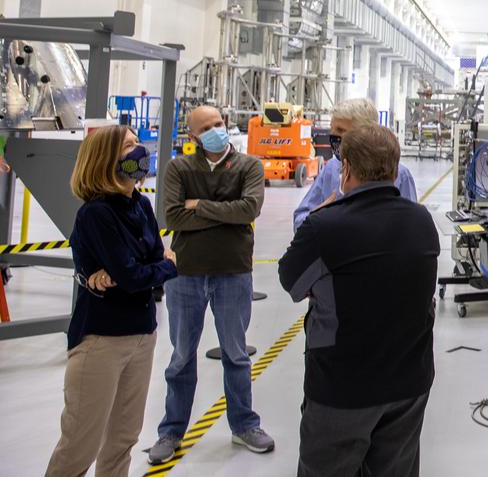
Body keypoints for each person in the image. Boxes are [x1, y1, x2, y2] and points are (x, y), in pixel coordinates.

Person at [279, 125, 441, 477]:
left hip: (343, 387)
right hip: (408, 381)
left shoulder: (324, 226)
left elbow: (292, 282)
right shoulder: (422, 221)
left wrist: (319, 214)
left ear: (346, 168)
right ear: (395, 170)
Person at [45, 125, 177, 477]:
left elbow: (148, 268)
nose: (139, 151)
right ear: (105, 159)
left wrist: (153, 267)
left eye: (137, 143)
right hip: (101, 341)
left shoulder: (141, 204)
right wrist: (158, 265)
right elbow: (139, 274)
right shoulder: (96, 214)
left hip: (142, 335)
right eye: (128, 146)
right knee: (79, 445)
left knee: (123, 439)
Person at [147, 106, 274, 464]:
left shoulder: (249, 165)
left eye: (219, 123)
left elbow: (248, 210)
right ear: (193, 137)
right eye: (207, 127)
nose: (217, 130)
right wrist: (223, 214)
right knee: (181, 357)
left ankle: (244, 425)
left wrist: (199, 205)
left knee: (236, 355)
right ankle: (171, 431)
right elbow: (173, 216)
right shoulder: (179, 168)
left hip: (233, 273)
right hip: (186, 274)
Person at [292, 97, 417, 231]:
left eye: (340, 130)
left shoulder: (400, 175)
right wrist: (320, 214)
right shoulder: (331, 169)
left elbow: (411, 228)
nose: (333, 136)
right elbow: (300, 220)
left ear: (365, 133)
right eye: (332, 129)